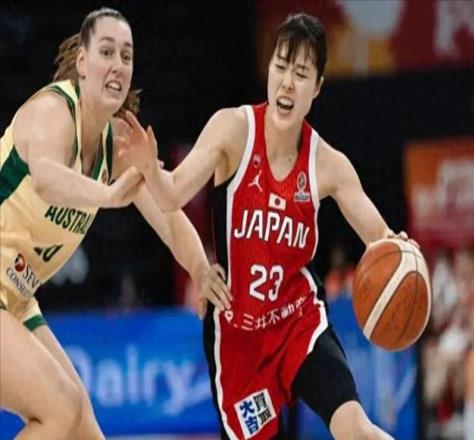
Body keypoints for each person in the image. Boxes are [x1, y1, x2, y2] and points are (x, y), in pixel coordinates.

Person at [118, 13, 415, 440]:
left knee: (355, 427)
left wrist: (399, 252)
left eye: (301, 73)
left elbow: (379, 239)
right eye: (281, 66)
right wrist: (150, 169)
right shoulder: (233, 130)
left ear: (317, 87)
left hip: (297, 322)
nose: (287, 83)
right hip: (238, 338)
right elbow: (172, 195)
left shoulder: (328, 164)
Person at [0, 7, 228, 440]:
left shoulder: (118, 143)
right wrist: (106, 196)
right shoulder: (53, 111)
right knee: (59, 408)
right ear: (82, 62)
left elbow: (169, 215)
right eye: (106, 52)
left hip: (16, 296)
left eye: (126, 55)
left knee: (82, 425)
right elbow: (46, 178)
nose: (118, 65)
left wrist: (201, 271)